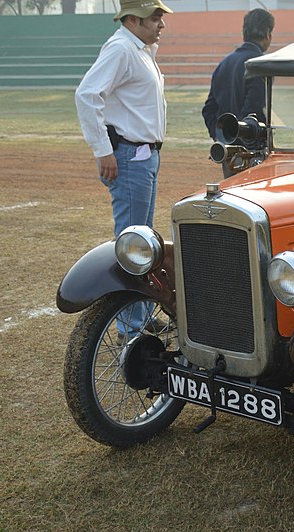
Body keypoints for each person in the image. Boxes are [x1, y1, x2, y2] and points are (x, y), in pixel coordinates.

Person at [74, 0, 172, 341]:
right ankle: (130, 327)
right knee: (132, 242)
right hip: (130, 156)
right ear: (132, 19)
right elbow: (87, 95)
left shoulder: (140, 48)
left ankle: (139, 317)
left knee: (143, 239)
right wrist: (103, 150)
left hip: (143, 155)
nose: (161, 22)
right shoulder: (121, 48)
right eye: (154, 16)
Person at [202, 8, 275, 142]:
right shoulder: (260, 66)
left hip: (228, 148)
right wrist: (239, 137)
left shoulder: (224, 63)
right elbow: (254, 110)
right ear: (267, 34)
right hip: (251, 148)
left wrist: (222, 137)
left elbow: (209, 110)